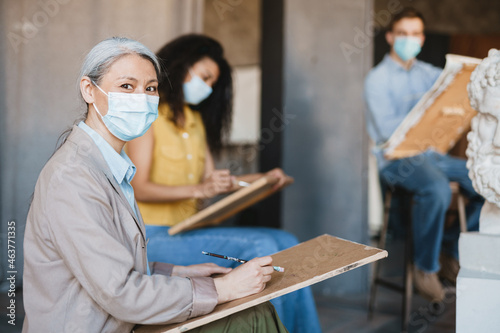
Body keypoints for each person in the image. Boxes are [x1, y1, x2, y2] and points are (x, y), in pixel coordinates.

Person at [22, 37, 288, 333]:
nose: (141, 97)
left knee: (256, 309)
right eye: (127, 86)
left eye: (150, 88)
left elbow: (108, 266)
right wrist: (223, 289)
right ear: (89, 90)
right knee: (252, 316)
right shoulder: (72, 178)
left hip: (118, 320)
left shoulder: (111, 164)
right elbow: (119, 292)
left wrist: (177, 272)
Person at [127, 34, 321, 333]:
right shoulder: (150, 116)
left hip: (188, 230)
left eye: (212, 83)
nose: (206, 87)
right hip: (152, 236)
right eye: (204, 77)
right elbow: (138, 186)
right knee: (263, 246)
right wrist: (198, 190)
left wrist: (263, 180)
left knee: (287, 242)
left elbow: (213, 182)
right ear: (181, 67)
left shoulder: (194, 121)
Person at [364, 8, 484, 302]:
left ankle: (449, 249)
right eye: (402, 34)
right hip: (396, 160)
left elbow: (458, 94)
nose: (409, 39)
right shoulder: (376, 80)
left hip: (432, 157)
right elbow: (391, 136)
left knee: (489, 181)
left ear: (422, 37)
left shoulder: (430, 74)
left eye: (415, 34)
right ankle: (425, 268)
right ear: (391, 37)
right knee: (436, 188)